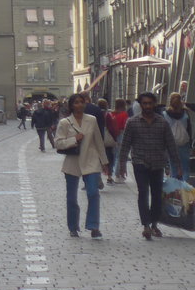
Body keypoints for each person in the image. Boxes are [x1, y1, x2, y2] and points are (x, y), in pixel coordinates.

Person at [117, 91, 183, 240]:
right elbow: (125, 144)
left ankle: (154, 224)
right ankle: (146, 225)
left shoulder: (162, 122)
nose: (147, 106)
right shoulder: (132, 122)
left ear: (154, 104)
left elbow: (171, 145)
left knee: (156, 195)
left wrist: (177, 165)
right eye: (144, 103)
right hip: (140, 162)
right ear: (141, 105)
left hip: (157, 163)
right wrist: (122, 165)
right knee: (143, 193)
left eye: (150, 103)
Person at [55, 93, 109, 238]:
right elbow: (58, 143)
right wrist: (73, 139)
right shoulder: (65, 122)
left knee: (93, 193)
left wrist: (104, 161)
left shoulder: (91, 120)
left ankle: (93, 226)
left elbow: (98, 141)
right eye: (76, 103)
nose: (79, 105)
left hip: (91, 160)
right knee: (71, 197)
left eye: (82, 102)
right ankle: (73, 226)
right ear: (71, 105)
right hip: (72, 162)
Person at [162, 92, 192, 184]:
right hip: (184, 144)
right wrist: (191, 144)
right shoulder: (185, 113)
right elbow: (189, 130)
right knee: (185, 168)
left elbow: (163, 131)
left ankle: (175, 191)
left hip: (170, 144)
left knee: (174, 167)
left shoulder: (165, 113)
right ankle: (184, 188)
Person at [106, 99, 129, 184]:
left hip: (112, 136)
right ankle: (118, 174)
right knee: (120, 155)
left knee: (113, 155)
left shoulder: (111, 114)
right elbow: (125, 126)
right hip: (121, 135)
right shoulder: (124, 114)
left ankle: (110, 174)